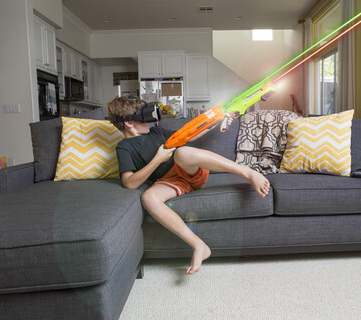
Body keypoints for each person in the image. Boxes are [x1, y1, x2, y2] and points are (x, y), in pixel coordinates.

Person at [107, 96, 270, 275]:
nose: (151, 121)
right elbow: (129, 183)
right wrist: (157, 160)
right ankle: (198, 245)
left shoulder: (157, 132)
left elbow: (191, 134)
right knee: (148, 197)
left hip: (188, 170)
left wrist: (216, 119)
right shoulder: (124, 147)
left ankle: (248, 172)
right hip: (169, 181)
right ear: (129, 123)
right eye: (145, 118)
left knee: (182, 153)